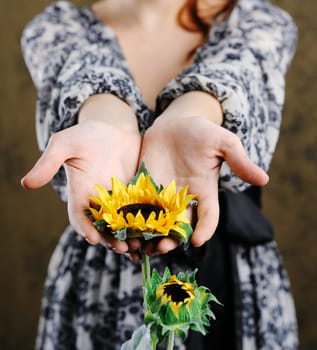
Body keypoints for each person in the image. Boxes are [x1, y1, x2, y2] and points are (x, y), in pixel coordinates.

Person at [21, 0, 298, 349]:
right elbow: (82, 72)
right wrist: (103, 118)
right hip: (105, 272)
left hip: (234, 276)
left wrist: (195, 114)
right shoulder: (58, 27)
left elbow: (239, 71)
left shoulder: (259, 22)